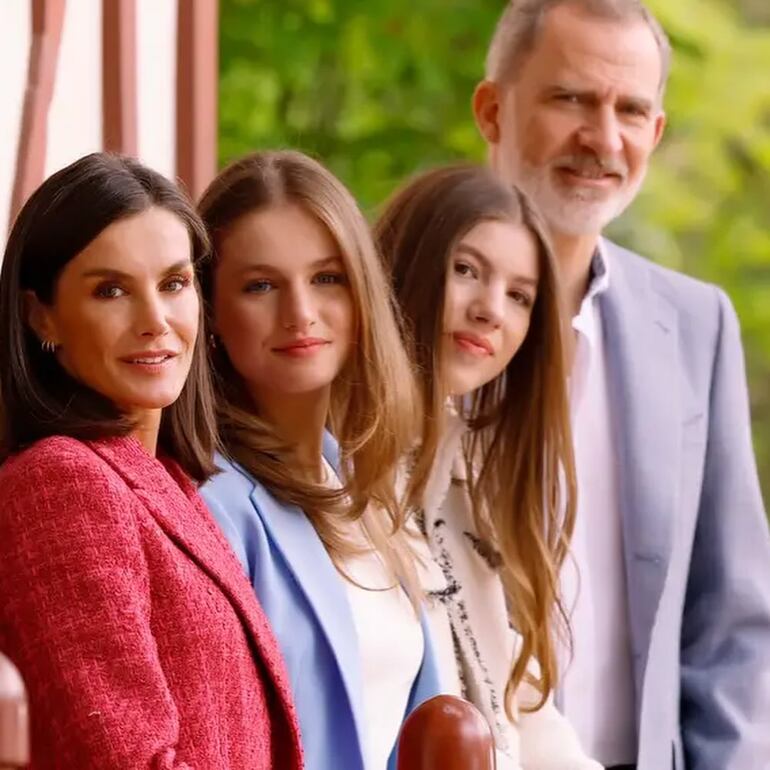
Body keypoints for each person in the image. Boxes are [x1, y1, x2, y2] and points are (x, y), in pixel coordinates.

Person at [472, 2, 770, 768]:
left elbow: (731, 616)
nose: (603, 140)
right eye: (571, 98)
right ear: (493, 109)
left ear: (657, 132)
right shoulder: (395, 310)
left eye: (631, 109)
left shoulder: (697, 323)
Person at [0, 152, 303, 770]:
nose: (155, 321)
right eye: (111, 290)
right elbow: (123, 759)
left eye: (173, 284)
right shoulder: (60, 482)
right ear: (41, 314)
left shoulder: (166, 481)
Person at [197, 149, 442, 770]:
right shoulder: (213, 507)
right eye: (260, 286)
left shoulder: (361, 489)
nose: (300, 313)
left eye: (326, 278)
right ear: (211, 313)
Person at [375, 163, 601, 770]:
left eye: (519, 296)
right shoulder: (338, 472)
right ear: (404, 264)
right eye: (467, 270)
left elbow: (522, 714)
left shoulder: (466, 483)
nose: (490, 310)